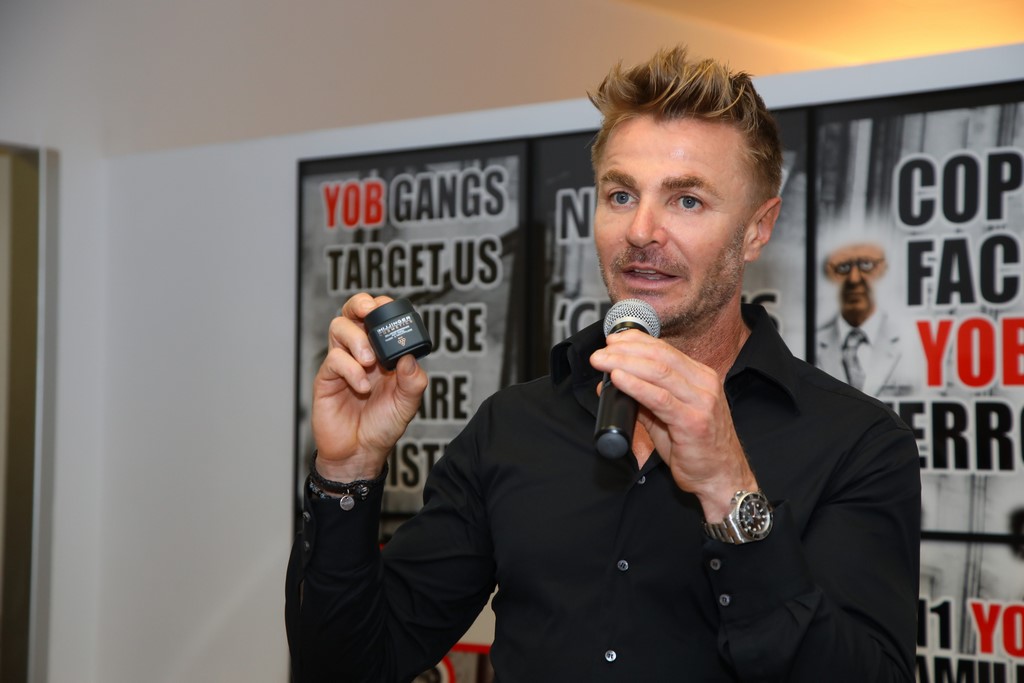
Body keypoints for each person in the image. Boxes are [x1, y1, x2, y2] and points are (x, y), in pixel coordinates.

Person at [286, 45, 921, 682]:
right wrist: (347, 471)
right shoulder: (513, 426)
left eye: (687, 201)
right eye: (620, 195)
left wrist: (731, 493)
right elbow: (350, 668)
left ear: (758, 229)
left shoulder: (857, 443)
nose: (641, 231)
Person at [816, 241, 912, 396]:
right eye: (843, 267)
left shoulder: (912, 342)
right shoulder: (804, 343)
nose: (854, 279)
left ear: (885, 270)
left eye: (867, 265)